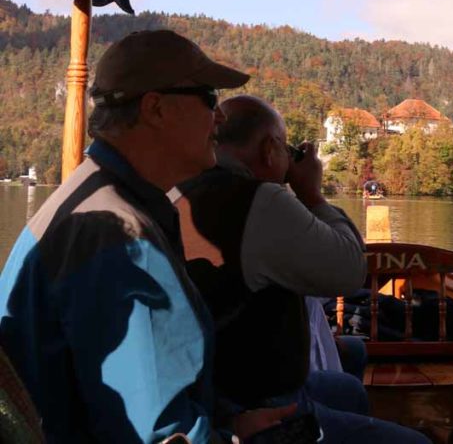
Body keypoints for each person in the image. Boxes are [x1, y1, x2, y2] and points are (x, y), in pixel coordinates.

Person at [0, 29, 291, 441]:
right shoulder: (119, 240)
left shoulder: (93, 200)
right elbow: (159, 436)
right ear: (155, 109)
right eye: (209, 98)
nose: (221, 117)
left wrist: (229, 423)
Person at [175, 95, 428, 444]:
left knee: (349, 385)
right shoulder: (257, 199)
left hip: (219, 385)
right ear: (269, 149)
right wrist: (312, 194)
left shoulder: (187, 187)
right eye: (286, 148)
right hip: (260, 405)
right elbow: (350, 269)